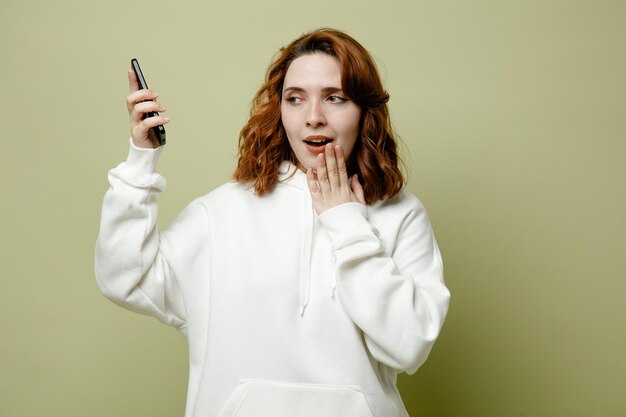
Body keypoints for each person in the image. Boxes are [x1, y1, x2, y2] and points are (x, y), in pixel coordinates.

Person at [95, 28, 450, 417]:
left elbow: (410, 342)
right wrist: (139, 162)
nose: (314, 118)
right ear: (279, 111)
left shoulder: (400, 214)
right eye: (295, 99)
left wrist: (345, 220)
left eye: (335, 98)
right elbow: (124, 277)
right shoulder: (223, 211)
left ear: (365, 110)